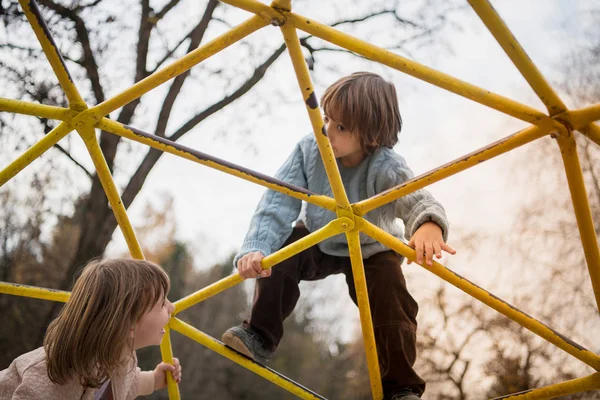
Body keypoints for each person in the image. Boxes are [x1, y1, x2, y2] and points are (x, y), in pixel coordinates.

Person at [222, 72, 456, 400]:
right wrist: (257, 247)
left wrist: (427, 225)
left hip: (372, 246)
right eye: (327, 118)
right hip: (320, 235)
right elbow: (278, 200)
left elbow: (416, 200)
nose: (327, 130)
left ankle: (402, 387)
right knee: (282, 253)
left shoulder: (386, 166)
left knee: (392, 298)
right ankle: (258, 335)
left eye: (341, 127)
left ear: (372, 134)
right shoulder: (310, 148)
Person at [0, 258, 182, 399]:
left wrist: (155, 379)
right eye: (161, 304)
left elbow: (123, 385)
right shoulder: (57, 374)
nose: (172, 307)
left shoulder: (120, 356)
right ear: (129, 323)